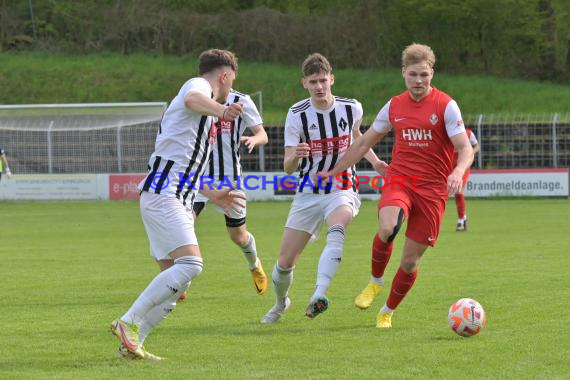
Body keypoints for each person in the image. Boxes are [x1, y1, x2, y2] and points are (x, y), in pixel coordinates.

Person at [318, 43, 474, 328]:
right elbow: (364, 142)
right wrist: (334, 170)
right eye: (413, 75)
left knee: (410, 262)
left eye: (424, 75)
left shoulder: (446, 106)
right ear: (404, 73)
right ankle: (375, 281)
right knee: (388, 227)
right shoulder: (394, 105)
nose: (418, 81)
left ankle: (387, 311)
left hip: (432, 190)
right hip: (400, 179)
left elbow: (465, 148)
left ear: (432, 74)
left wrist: (458, 170)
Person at [110, 49, 246, 360]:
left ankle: (132, 345)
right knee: (192, 265)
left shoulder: (202, 114)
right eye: (231, 81)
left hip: (173, 196)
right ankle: (128, 321)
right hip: (164, 194)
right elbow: (191, 100)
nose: (229, 90)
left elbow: (187, 166)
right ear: (224, 76)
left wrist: (214, 195)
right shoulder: (196, 86)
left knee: (176, 286)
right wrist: (221, 111)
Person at [260, 53, 384, 324]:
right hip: (308, 190)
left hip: (342, 185)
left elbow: (357, 138)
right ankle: (281, 303)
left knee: (337, 228)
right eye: (313, 81)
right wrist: (296, 155)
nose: (319, 86)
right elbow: (288, 167)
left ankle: (319, 294)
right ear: (304, 82)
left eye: (323, 80)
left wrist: (374, 162)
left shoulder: (351, 107)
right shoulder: (296, 115)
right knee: (284, 263)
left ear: (332, 79)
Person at [193, 88, 269, 294]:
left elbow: (262, 134)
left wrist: (254, 139)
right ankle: (179, 277)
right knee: (183, 225)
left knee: (238, 236)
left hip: (230, 180)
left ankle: (254, 265)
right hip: (199, 178)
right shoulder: (196, 98)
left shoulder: (242, 101)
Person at [454, 128, 479, 231]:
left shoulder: (468, 133)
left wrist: (470, 152)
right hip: (449, 166)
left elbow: (477, 146)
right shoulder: (446, 132)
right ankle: (463, 217)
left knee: (459, 192)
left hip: (463, 166)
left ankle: (460, 221)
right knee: (456, 193)